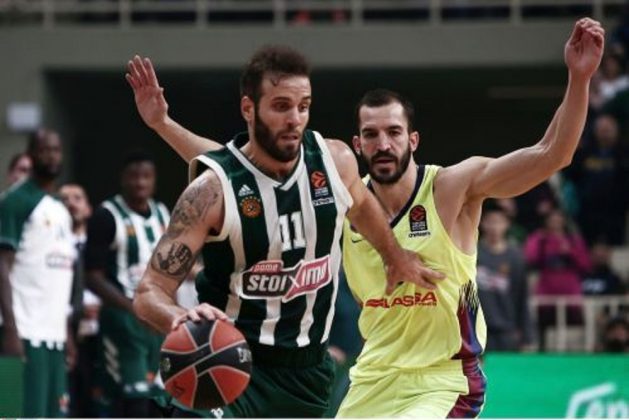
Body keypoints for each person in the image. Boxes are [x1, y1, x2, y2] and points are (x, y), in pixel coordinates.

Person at [128, 46, 442, 417]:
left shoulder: (335, 162)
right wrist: (176, 317)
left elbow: (361, 206)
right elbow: (149, 291)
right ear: (249, 109)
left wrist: (394, 256)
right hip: (228, 358)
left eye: (303, 106)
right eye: (281, 106)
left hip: (307, 375)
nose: (295, 119)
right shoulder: (210, 192)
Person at [335, 18, 603, 416]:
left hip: (444, 381)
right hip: (372, 378)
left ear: (413, 140)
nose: (383, 144)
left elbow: (552, 154)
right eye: (371, 135)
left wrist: (579, 79)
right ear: (357, 145)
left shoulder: (451, 188)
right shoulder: (345, 203)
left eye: (394, 132)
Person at [84, 152, 170, 417]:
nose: (140, 183)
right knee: (132, 401)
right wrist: (132, 309)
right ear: (123, 179)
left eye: (146, 176)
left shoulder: (162, 213)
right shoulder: (106, 215)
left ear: (154, 180)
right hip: (123, 320)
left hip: (157, 322)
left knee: (161, 399)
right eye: (134, 176)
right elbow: (92, 276)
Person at [0, 129, 76, 417]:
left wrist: (67, 333)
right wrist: (10, 329)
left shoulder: (61, 209)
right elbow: (2, 266)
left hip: (55, 336)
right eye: (45, 150)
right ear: (31, 155)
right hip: (25, 332)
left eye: (56, 150)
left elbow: (61, 277)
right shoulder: (15, 201)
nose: (51, 156)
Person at [476, 200, 533, 352]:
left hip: (506, 330)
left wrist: (527, 335)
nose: (494, 227)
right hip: (476, 330)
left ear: (507, 224)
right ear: (482, 223)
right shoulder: (472, 253)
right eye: (490, 222)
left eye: (499, 222)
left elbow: (522, 296)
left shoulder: (516, 257)